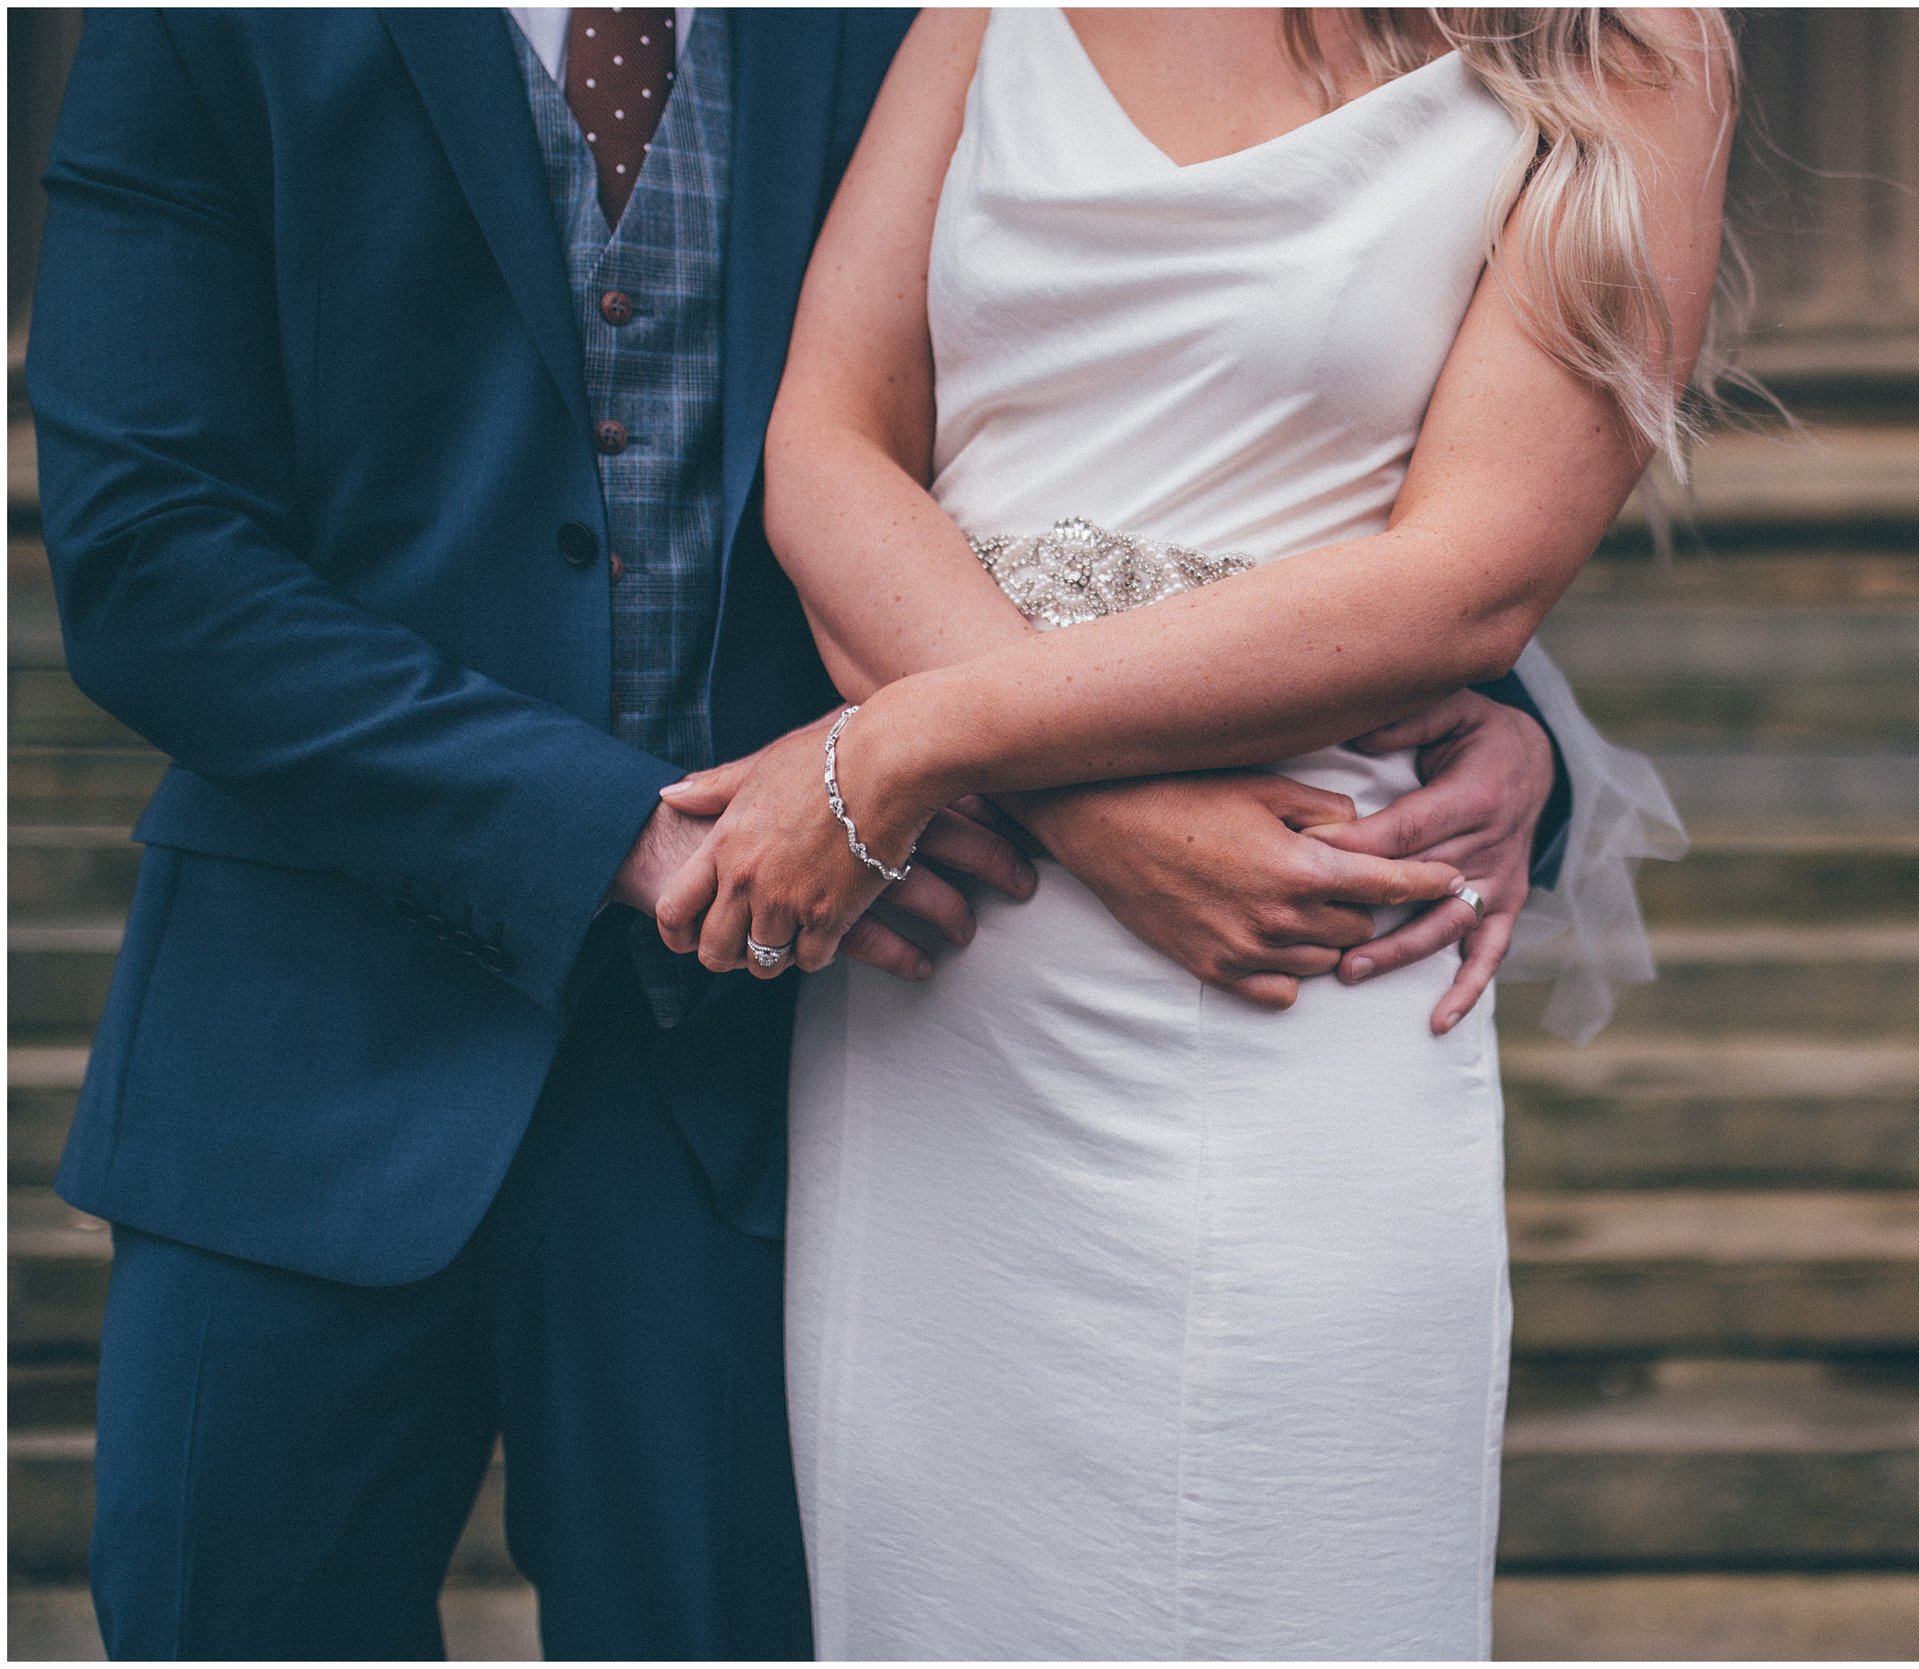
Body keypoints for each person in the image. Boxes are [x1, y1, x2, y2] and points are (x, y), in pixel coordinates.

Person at [26, 7, 1585, 1658]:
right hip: (299, 1058)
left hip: (756, 1086)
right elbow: (153, 559)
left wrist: (1501, 716)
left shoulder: (909, 11)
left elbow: (1139, 378)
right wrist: (615, 831)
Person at [655, 7, 1730, 1658]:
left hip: (1297, 952)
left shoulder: (1620, 46)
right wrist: (1085, 808)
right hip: (952, 990)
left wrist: (910, 740)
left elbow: (1468, 578)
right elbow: (825, 445)